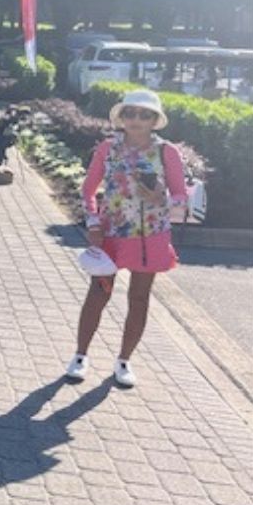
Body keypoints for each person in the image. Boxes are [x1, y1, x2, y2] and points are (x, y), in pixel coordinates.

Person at [65, 90, 186, 388]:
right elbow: (88, 190)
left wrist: (160, 197)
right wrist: (93, 222)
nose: (136, 119)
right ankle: (80, 355)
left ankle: (124, 360)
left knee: (139, 299)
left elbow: (181, 198)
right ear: (121, 117)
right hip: (111, 235)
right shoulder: (108, 148)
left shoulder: (166, 152)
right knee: (98, 292)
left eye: (145, 114)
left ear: (155, 120)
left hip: (151, 237)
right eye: (130, 113)